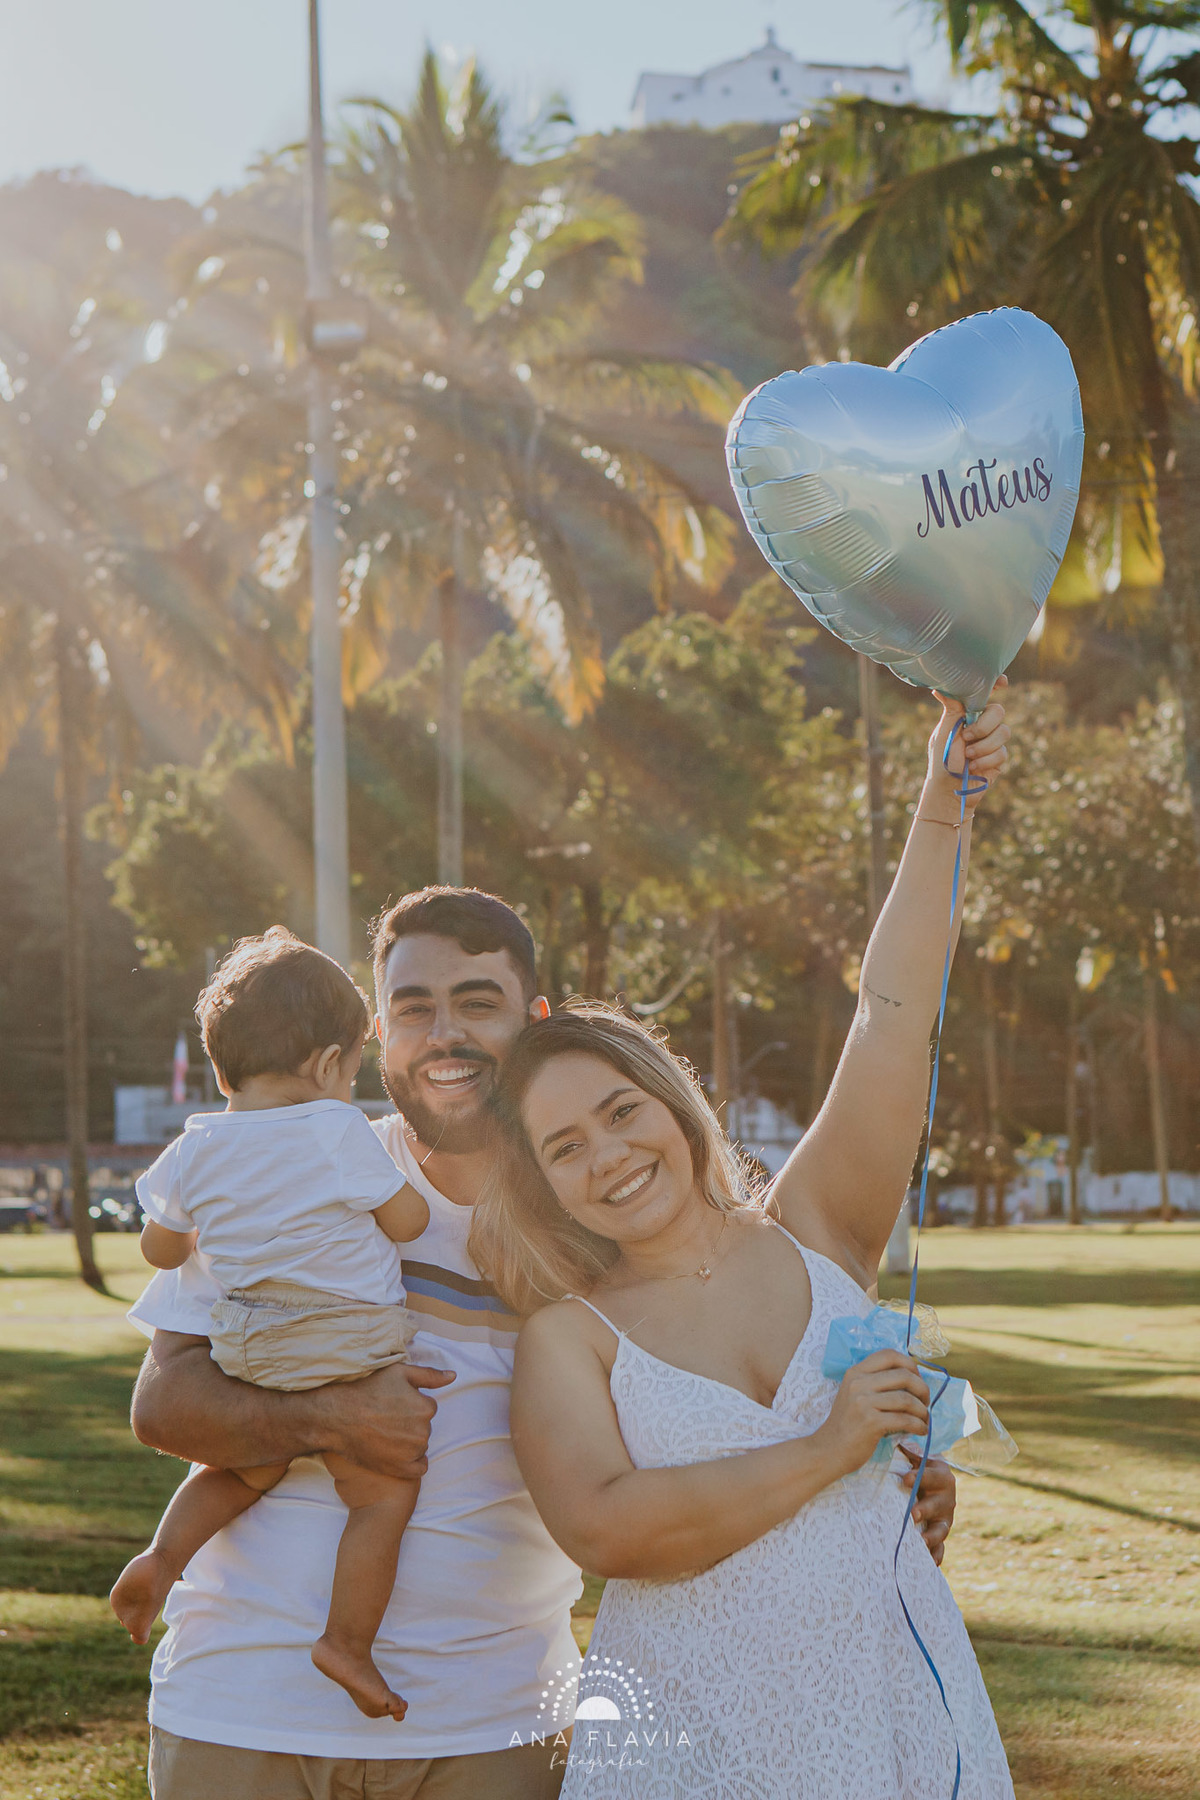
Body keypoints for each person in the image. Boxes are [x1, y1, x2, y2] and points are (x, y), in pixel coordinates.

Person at [126, 888, 959, 1800]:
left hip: (497, 1729)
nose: (444, 1033)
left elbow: (718, 1411)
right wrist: (332, 1416)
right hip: (241, 1707)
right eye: (413, 1008)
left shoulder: (605, 1225)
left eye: (477, 1002)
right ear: (377, 1033)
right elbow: (164, 1407)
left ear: (534, 1020)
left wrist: (881, 1475)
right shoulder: (286, 1171)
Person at [472, 687, 1015, 1798]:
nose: (610, 1156)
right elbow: (609, 1533)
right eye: (565, 1148)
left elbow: (894, 1014)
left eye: (622, 1112)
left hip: (892, 1713)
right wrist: (829, 1454)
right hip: (694, 1741)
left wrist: (943, 803)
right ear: (544, 1187)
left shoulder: (818, 1227)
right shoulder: (570, 1342)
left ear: (672, 1103)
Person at [111, 929, 430, 1722]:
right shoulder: (336, 1129)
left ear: (221, 1066)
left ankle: (163, 1554)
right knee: (382, 1492)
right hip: (346, 1336)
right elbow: (411, 1220)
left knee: (243, 1469)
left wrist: (196, 1229)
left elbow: (159, 1245)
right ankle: (346, 1643)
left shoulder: (195, 1146)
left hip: (248, 1343)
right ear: (329, 1064)